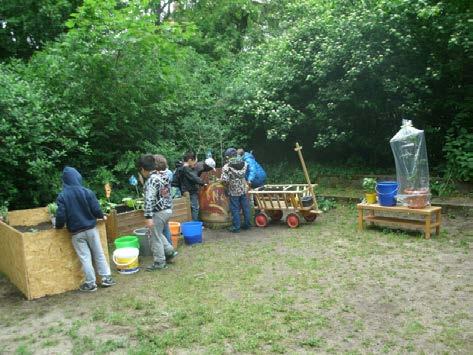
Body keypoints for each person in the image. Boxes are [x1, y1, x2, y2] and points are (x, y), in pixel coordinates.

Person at [55, 166, 115, 292]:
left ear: (65, 180)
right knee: (99, 253)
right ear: (78, 178)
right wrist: (101, 215)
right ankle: (106, 279)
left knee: (85, 257)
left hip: (77, 233)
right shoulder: (87, 192)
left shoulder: (62, 196)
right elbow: (96, 208)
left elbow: (61, 214)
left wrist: (58, 226)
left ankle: (90, 284)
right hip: (91, 229)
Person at [138, 154, 178, 271]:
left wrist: (148, 216)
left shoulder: (151, 180)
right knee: (158, 234)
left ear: (143, 169)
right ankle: (170, 252)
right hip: (167, 210)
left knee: (154, 238)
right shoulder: (162, 176)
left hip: (158, 212)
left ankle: (159, 262)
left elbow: (149, 199)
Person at [221, 148, 251, 233]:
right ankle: (247, 224)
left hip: (233, 190)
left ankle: (236, 227)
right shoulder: (244, 163)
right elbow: (246, 174)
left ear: (228, 157)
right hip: (243, 188)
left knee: (235, 208)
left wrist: (225, 187)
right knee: (245, 207)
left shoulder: (227, 167)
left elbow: (224, 180)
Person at [172, 151, 205, 221]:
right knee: (194, 207)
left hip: (183, 190)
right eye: (194, 162)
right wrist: (203, 183)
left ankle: (189, 223)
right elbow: (193, 177)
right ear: (190, 160)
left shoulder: (181, 166)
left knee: (186, 207)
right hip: (188, 190)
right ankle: (194, 224)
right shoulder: (186, 168)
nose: (195, 164)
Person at [154, 154, 173, 244]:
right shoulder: (169, 173)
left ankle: (166, 250)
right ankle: (170, 248)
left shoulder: (155, 177)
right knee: (166, 228)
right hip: (168, 205)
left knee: (159, 231)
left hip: (160, 206)